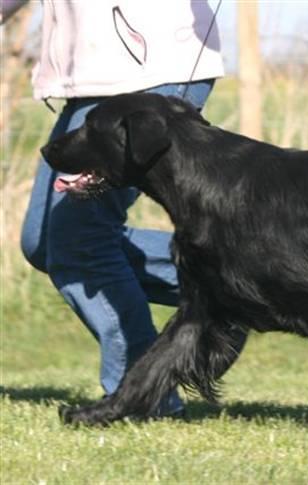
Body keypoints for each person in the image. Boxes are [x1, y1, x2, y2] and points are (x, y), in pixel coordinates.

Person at [3, 0, 238, 417]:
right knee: (44, 242)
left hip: (152, 68)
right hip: (92, 76)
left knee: (79, 242)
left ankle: (143, 397)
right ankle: (236, 285)